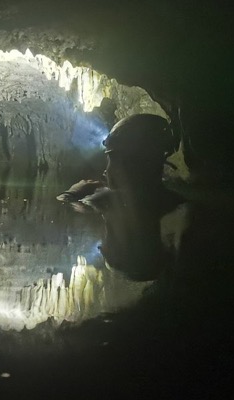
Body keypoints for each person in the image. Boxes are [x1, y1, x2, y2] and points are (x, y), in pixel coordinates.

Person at [58, 113, 189, 281]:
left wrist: (71, 193)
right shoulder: (175, 199)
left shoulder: (106, 200)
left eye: (109, 159)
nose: (105, 170)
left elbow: (63, 209)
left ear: (123, 163)